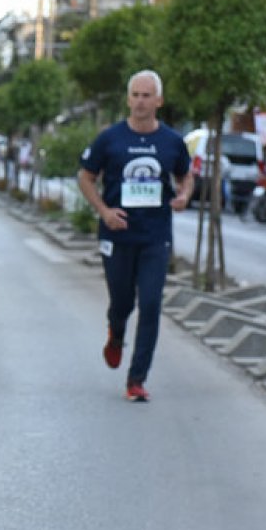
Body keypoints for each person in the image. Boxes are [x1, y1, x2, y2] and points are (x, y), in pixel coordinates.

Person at [76, 69, 193, 403]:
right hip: (118, 235)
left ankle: (137, 379)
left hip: (155, 235)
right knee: (122, 302)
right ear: (128, 100)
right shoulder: (110, 139)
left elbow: (186, 176)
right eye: (136, 95)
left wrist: (184, 195)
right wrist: (104, 212)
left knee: (151, 303)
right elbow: (85, 177)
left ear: (159, 101)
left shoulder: (172, 141)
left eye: (147, 96)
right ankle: (116, 333)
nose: (141, 102)